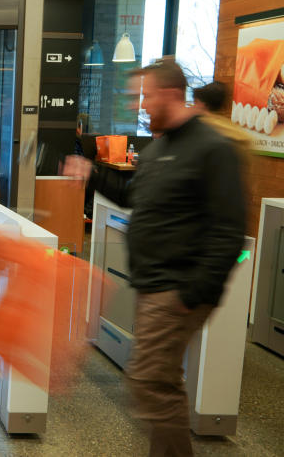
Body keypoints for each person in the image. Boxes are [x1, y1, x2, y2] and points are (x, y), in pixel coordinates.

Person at [64, 58, 246, 457]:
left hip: (177, 288)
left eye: (144, 96)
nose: (140, 106)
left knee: (150, 381)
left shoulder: (212, 149)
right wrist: (91, 174)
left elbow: (230, 230)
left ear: (169, 93)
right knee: (159, 381)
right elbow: (135, 198)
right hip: (153, 284)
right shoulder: (159, 147)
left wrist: (195, 291)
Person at [192, 81, 252, 159]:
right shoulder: (240, 134)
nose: (193, 106)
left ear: (203, 104)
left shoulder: (197, 129)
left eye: (195, 102)